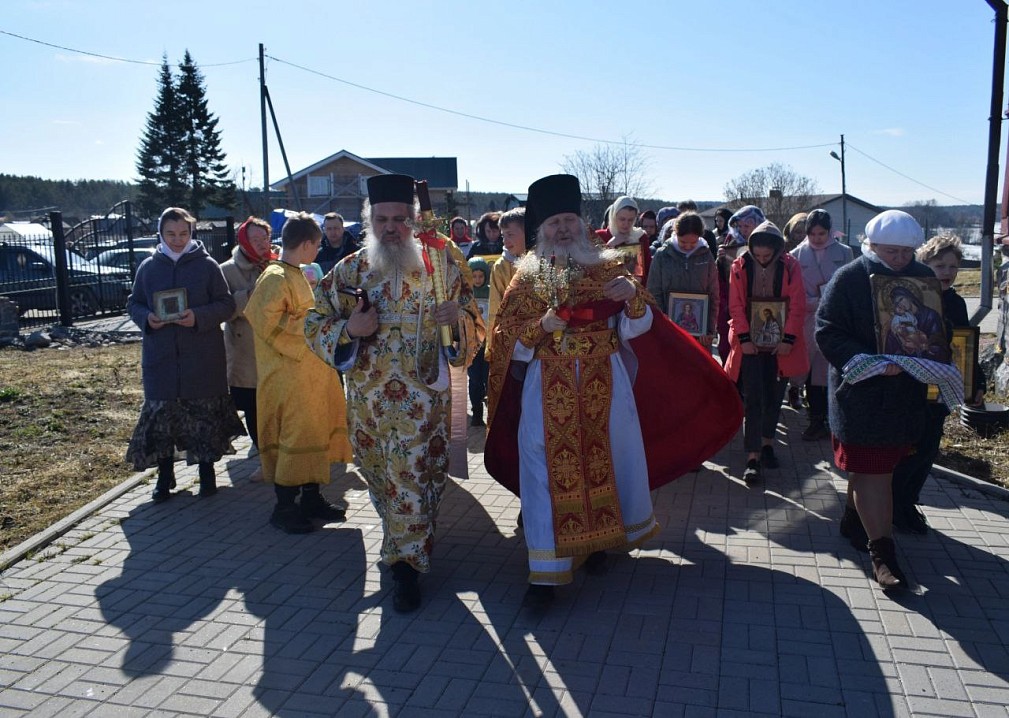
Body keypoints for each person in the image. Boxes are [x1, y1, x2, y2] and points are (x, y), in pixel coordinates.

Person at [484, 174, 742, 609]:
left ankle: (600, 542)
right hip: (546, 390)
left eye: (569, 220)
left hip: (606, 384)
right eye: (553, 223)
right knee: (544, 471)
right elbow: (503, 342)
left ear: (582, 223)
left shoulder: (608, 267)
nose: (563, 229)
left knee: (606, 463)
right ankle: (546, 573)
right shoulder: (525, 280)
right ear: (540, 231)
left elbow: (641, 327)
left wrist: (633, 297)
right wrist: (541, 326)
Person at [305, 174, 483, 613]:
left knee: (416, 483)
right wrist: (349, 329)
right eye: (382, 219)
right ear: (369, 220)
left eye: (400, 219)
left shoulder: (441, 267)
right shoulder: (349, 270)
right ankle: (403, 546)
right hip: (370, 408)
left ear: (413, 220)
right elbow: (313, 323)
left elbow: (474, 324)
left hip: (425, 407)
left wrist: (456, 320)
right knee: (386, 485)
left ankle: (406, 567)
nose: (391, 227)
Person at [816, 210, 946, 591]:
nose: (900, 259)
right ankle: (883, 555)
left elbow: (937, 324)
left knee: (874, 467)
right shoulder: (850, 277)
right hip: (861, 397)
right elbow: (827, 330)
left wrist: (930, 346)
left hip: (904, 396)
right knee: (875, 471)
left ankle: (852, 520)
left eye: (906, 252)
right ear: (871, 245)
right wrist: (867, 362)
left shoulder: (921, 277)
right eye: (891, 252)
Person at [125, 207, 245, 502]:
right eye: (171, 234)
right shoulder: (148, 267)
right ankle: (164, 477)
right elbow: (134, 303)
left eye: (183, 233)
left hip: (202, 359)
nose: (177, 240)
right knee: (163, 421)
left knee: (203, 419)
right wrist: (146, 318)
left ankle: (207, 474)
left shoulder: (207, 266)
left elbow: (226, 304)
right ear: (160, 234)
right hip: (161, 361)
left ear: (191, 233)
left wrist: (198, 317)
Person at [245, 213, 353, 534]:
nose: (319, 249)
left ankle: (311, 498)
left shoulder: (294, 273)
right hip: (288, 379)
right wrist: (321, 326)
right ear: (306, 244)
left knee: (314, 433)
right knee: (293, 437)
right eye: (317, 244)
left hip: (310, 374)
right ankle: (284, 507)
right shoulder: (274, 277)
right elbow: (267, 322)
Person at [891, 233, 985, 534]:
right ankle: (892, 507)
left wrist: (977, 382)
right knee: (907, 451)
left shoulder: (956, 303)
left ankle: (908, 504)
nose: (947, 272)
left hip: (939, 391)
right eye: (940, 265)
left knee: (928, 451)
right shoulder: (910, 301)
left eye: (953, 266)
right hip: (909, 390)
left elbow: (965, 346)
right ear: (925, 265)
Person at [724, 220, 808, 483]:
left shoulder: (790, 267)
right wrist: (744, 338)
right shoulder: (740, 266)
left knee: (774, 396)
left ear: (777, 251)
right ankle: (752, 456)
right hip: (749, 344)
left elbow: (798, 304)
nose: (761, 260)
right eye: (757, 255)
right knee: (753, 398)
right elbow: (736, 305)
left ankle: (768, 443)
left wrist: (788, 339)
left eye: (766, 256)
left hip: (781, 344)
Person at [790, 209, 852, 441]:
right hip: (806, 320)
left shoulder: (844, 253)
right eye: (812, 234)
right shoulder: (796, 255)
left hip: (835, 321)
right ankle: (815, 418)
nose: (817, 238)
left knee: (828, 372)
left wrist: (833, 303)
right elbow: (792, 292)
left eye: (822, 233)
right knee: (808, 371)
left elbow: (850, 287)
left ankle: (829, 420)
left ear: (829, 231)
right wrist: (815, 301)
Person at [221, 216, 276, 454]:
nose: (262, 244)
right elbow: (225, 310)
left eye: (265, 238)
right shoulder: (227, 270)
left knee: (277, 401)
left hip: (276, 345)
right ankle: (262, 451)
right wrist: (250, 295)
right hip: (246, 350)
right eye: (256, 239)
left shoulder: (277, 264)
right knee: (254, 404)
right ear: (244, 241)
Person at [646, 211, 718, 349]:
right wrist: (661, 325)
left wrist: (709, 329)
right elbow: (653, 293)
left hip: (699, 336)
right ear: (676, 234)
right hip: (668, 332)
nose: (688, 246)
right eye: (683, 242)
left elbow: (714, 295)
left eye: (693, 242)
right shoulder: (662, 256)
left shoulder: (706, 256)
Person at [486, 207, 527, 361]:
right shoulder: (500, 267)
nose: (505, 241)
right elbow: (495, 308)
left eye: (510, 235)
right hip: (511, 339)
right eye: (503, 235)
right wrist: (493, 344)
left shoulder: (543, 260)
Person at [595, 195, 651, 282]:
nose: (626, 224)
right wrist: (610, 245)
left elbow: (649, 270)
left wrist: (640, 279)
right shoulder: (600, 236)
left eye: (630, 220)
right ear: (614, 217)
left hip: (635, 287)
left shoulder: (640, 237)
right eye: (622, 219)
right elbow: (593, 270)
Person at [467, 256, 491, 426]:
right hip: (473, 343)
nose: (477, 280)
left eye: (480, 276)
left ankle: (490, 412)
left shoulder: (491, 292)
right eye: (474, 276)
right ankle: (477, 413)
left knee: (487, 379)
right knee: (474, 379)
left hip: (488, 344)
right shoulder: (466, 294)